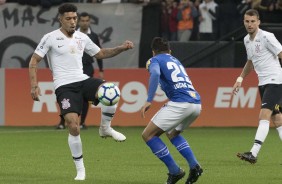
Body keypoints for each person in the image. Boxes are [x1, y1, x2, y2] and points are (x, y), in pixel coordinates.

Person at [29, 3, 133, 180]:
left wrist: (121, 48)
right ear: (60, 19)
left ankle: (105, 128)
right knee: (73, 125)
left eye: (74, 18)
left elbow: (100, 53)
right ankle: (81, 170)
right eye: (68, 18)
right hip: (64, 86)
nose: (72, 22)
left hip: (82, 79)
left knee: (111, 90)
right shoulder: (50, 37)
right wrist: (34, 85)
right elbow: (34, 61)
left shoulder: (82, 37)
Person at [141, 37, 203, 184]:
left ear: (153, 52)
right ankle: (195, 166)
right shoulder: (175, 60)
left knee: (148, 135)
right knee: (172, 133)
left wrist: (149, 99)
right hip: (196, 103)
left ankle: (175, 171)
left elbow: (155, 74)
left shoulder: (154, 60)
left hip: (180, 103)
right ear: (170, 51)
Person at [232, 9, 282, 164]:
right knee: (278, 119)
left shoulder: (267, 37)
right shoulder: (247, 40)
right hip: (263, 82)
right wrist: (240, 78)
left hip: (275, 81)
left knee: (264, 115)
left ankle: (253, 153)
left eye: (253, 21)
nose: (250, 24)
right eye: (247, 21)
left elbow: (281, 54)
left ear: (258, 22)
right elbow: (250, 62)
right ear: (244, 22)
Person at [56, 11, 104, 130]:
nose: (84, 23)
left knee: (85, 98)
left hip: (87, 67)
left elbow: (99, 52)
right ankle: (62, 121)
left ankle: (82, 122)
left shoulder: (93, 36)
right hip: (71, 68)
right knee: (68, 96)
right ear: (79, 21)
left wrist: (101, 69)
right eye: (82, 20)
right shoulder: (70, 33)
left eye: (87, 20)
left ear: (90, 22)